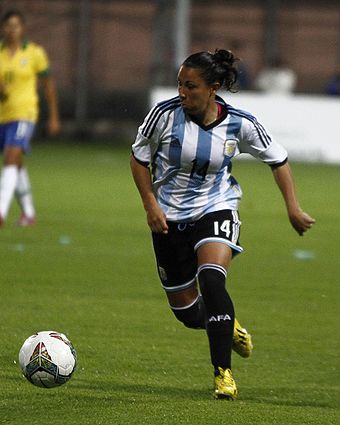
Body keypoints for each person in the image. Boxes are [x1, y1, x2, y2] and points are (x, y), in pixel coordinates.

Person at [130, 49, 315, 400]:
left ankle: (223, 374)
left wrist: (293, 207)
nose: (182, 93)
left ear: (213, 88)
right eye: (179, 85)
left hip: (218, 207)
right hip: (168, 218)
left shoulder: (239, 123)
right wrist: (150, 204)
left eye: (191, 86)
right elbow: (138, 159)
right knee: (187, 312)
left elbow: (278, 159)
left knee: (212, 279)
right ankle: (229, 326)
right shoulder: (163, 116)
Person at [0, 9, 60, 227]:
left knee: (11, 156)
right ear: (3, 28)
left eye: (16, 25)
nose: (12, 29)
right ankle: (28, 213)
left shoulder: (34, 53)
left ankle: (1, 211)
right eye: (8, 25)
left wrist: (54, 116)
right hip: (3, 116)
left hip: (25, 113)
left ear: (22, 29)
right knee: (16, 163)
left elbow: (48, 85)